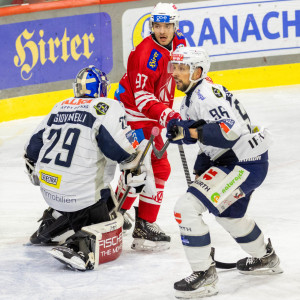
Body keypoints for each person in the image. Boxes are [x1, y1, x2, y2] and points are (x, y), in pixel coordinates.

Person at [165, 47, 283, 298]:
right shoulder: (192, 96)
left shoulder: (206, 95)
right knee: (229, 215)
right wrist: (183, 131)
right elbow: (204, 135)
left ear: (197, 71)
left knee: (186, 208)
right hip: (241, 161)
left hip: (242, 162)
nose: (175, 73)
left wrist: (190, 132)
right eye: (173, 67)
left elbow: (229, 132)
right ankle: (266, 257)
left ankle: (205, 276)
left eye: (181, 68)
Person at [24, 66, 148, 270]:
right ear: (102, 88)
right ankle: (82, 245)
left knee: (80, 177)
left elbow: (32, 148)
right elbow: (119, 151)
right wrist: (136, 163)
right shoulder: (106, 106)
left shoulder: (60, 105)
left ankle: (51, 222)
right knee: (105, 206)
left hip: (49, 190)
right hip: (81, 196)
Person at [114, 2, 186, 251]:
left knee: (153, 169)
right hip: (131, 114)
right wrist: (168, 115)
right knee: (146, 169)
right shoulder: (145, 55)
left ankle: (122, 215)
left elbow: (184, 74)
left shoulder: (179, 45)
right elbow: (143, 100)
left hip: (153, 115)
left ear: (175, 26)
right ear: (152, 26)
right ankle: (131, 219)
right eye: (157, 25)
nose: (162, 30)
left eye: (167, 25)